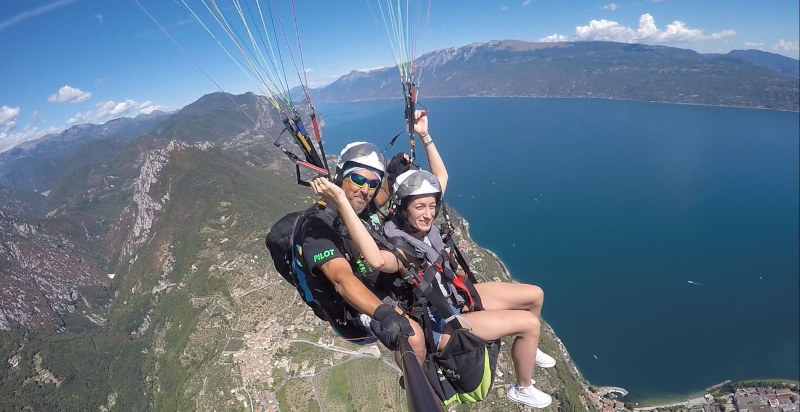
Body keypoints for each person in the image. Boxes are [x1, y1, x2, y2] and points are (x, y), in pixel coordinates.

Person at [309, 115, 555, 409]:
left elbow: (441, 178)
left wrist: (425, 136)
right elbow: (374, 259)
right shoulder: (399, 246)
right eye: (420, 207)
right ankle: (522, 388)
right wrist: (341, 200)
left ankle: (529, 349)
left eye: (431, 206)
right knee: (528, 324)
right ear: (404, 208)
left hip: (454, 294)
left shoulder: (421, 224)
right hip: (441, 319)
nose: (428, 213)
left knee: (534, 295)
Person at [295, 141, 419, 356]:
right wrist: (384, 314)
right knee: (414, 337)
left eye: (372, 183)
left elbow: (381, 194)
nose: (365, 190)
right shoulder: (317, 225)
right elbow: (342, 280)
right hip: (358, 310)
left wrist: (392, 173)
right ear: (340, 178)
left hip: (383, 287)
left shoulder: (359, 206)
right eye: (358, 179)